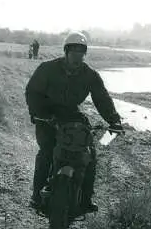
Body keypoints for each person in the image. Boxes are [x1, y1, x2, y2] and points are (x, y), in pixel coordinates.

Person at [25, 31, 124, 213]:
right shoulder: (47, 68)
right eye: (73, 52)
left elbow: (102, 99)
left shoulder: (90, 75)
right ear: (66, 51)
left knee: (89, 155)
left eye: (81, 52)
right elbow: (32, 92)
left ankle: (85, 200)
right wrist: (37, 113)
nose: (77, 57)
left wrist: (114, 121)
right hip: (46, 115)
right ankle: (36, 196)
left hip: (71, 114)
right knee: (47, 152)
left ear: (84, 54)